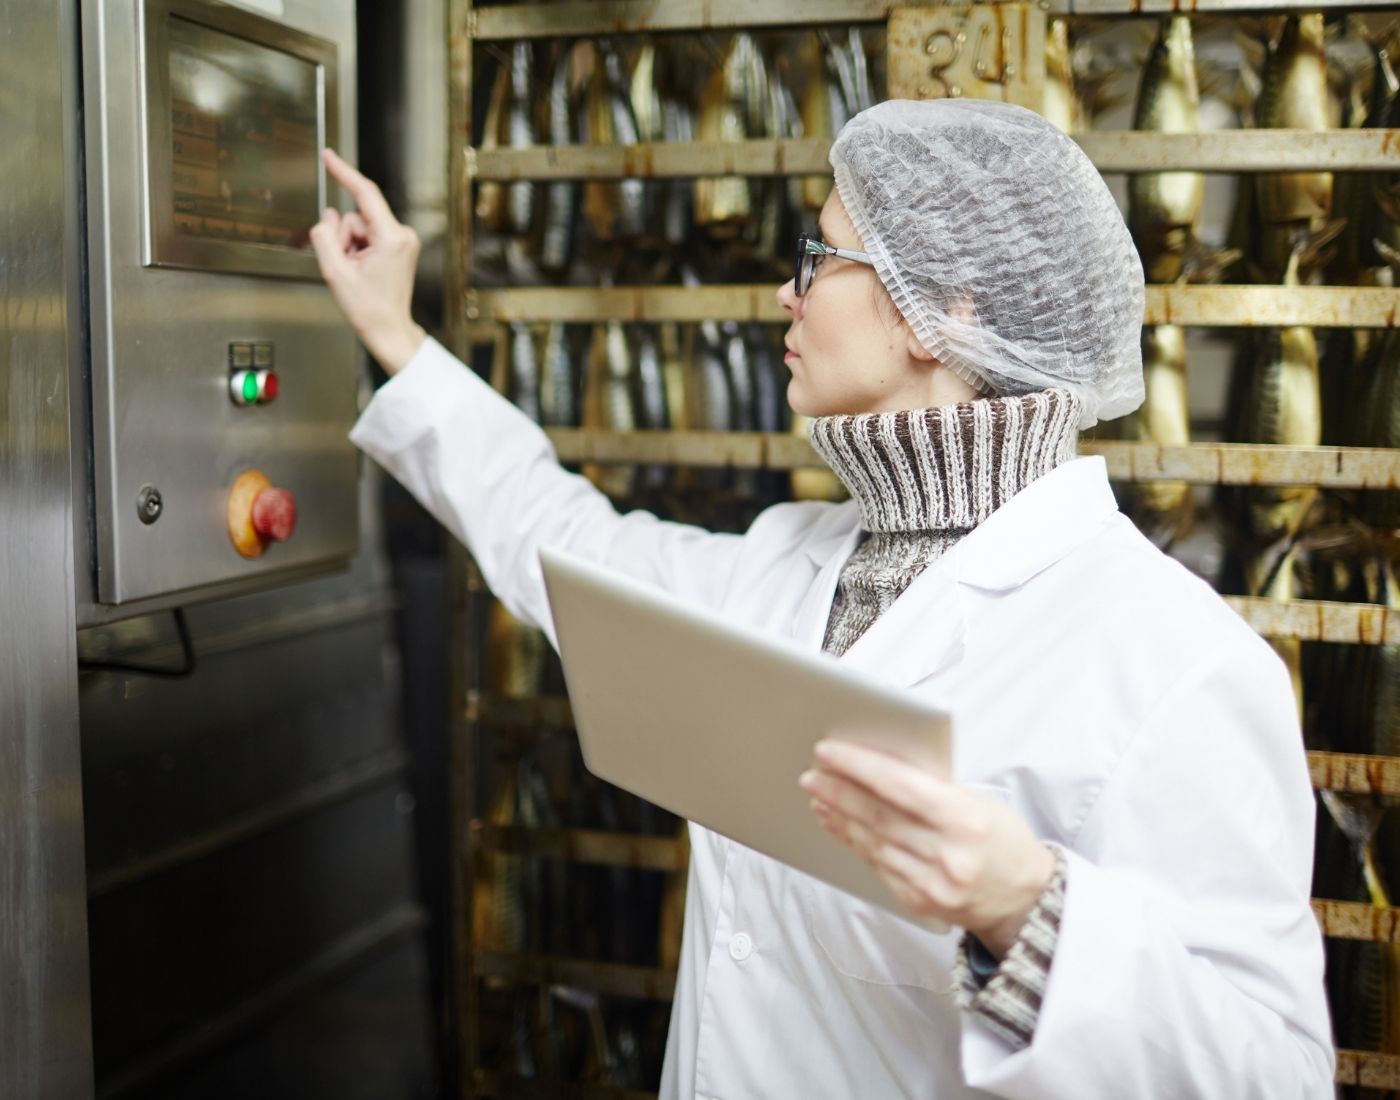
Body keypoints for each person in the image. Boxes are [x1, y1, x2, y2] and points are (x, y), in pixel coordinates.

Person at [311, 99, 1334, 1098]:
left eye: (817, 258)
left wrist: (1028, 910)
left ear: (947, 308)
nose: (781, 294)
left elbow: (1274, 1072)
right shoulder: (785, 561)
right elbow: (562, 544)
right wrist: (394, 334)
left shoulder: (1175, 660)